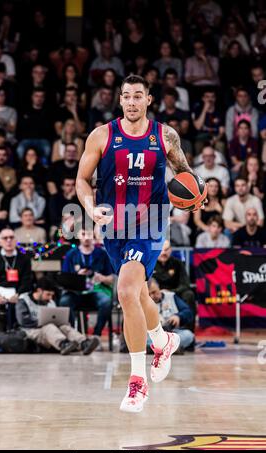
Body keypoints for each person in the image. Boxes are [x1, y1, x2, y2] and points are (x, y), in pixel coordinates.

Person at [75, 75, 205, 413]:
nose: (132, 102)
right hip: (114, 226)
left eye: (138, 96)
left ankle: (137, 382)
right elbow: (81, 181)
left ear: (149, 100)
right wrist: (90, 209)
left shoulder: (165, 136)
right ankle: (163, 341)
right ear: (120, 100)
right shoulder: (102, 135)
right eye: (126, 97)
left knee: (126, 291)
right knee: (140, 295)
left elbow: (186, 175)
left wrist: (197, 195)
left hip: (150, 223)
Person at [16, 277, 99, 355]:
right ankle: (63, 344)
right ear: (39, 290)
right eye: (48, 294)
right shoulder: (24, 300)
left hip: (50, 332)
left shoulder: (51, 302)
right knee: (49, 326)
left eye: (52, 295)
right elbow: (22, 321)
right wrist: (42, 322)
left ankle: (84, 343)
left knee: (64, 327)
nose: (50, 298)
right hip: (30, 332)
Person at [59, 227, 114, 338]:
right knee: (64, 301)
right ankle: (73, 335)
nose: (87, 237)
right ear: (78, 235)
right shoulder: (71, 254)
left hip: (96, 290)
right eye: (83, 234)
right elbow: (64, 279)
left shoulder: (102, 253)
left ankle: (96, 335)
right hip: (76, 292)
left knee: (106, 301)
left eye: (89, 234)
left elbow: (112, 278)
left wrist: (102, 278)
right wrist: (77, 277)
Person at [0, 228, 32, 332]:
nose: (8, 240)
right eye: (5, 238)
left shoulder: (24, 258)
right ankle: (3, 332)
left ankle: (18, 334)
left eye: (11, 237)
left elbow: (27, 280)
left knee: (22, 306)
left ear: (16, 240)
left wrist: (18, 294)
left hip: (18, 293)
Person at [148, 278, 194, 351]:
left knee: (188, 335)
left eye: (154, 292)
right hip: (153, 335)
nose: (151, 296)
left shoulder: (171, 296)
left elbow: (188, 312)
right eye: (148, 294)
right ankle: (170, 348)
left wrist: (178, 316)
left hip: (172, 333)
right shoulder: (143, 303)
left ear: (158, 287)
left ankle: (157, 348)